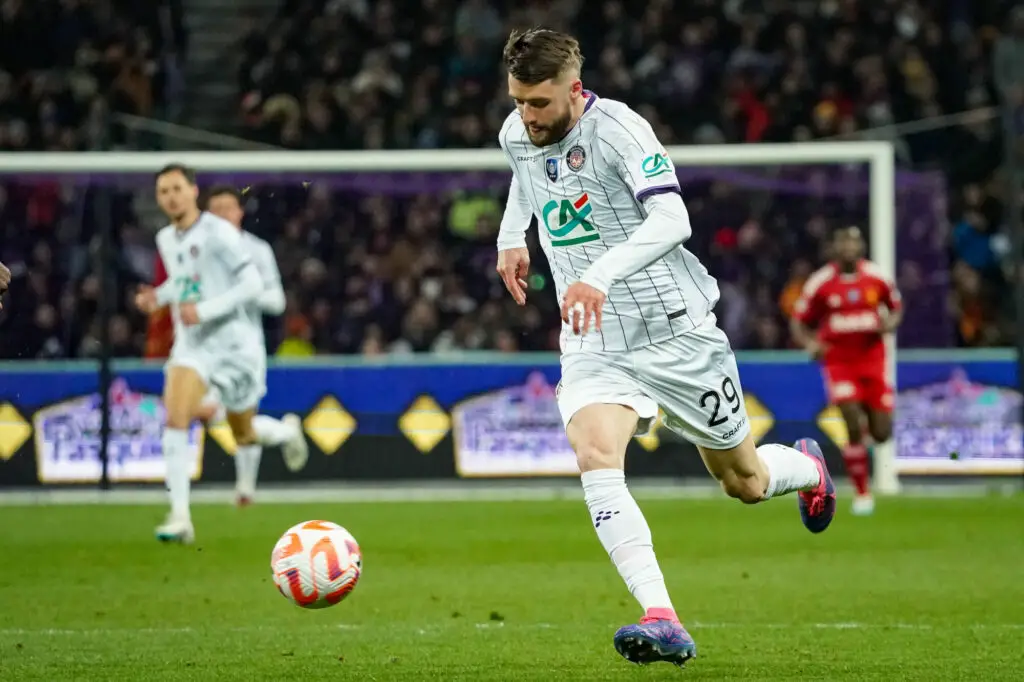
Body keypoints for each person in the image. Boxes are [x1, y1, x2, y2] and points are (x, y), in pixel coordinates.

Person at [494, 28, 836, 668]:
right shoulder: (518, 131)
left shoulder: (621, 131)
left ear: (574, 89)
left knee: (745, 482)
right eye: (518, 101)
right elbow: (524, 173)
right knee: (595, 454)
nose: (527, 116)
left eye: (539, 103)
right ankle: (663, 616)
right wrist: (511, 236)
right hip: (594, 337)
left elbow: (674, 219)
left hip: (675, 331)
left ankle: (809, 470)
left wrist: (599, 274)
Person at [134, 164, 265, 544]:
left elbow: (252, 283)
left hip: (235, 346)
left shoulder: (219, 232)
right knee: (176, 418)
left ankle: (287, 432)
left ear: (193, 192)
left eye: (177, 188)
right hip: (193, 345)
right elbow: (185, 281)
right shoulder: (165, 237)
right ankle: (180, 517)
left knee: (244, 432)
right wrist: (158, 297)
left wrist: (205, 310)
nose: (171, 197)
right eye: (164, 191)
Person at [195, 185, 309, 505]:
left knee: (238, 417)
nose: (222, 215)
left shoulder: (257, 251)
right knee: (212, 414)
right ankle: (286, 432)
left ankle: (245, 490)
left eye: (227, 209)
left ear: (240, 213)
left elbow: (277, 301)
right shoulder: (197, 253)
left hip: (245, 347)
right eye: (215, 210)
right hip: (208, 345)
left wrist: (243, 292)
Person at [791, 226, 903, 516]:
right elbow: (798, 320)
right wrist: (811, 343)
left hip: (873, 361)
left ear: (861, 246)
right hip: (839, 363)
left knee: (882, 433)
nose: (849, 248)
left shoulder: (877, 277)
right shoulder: (821, 283)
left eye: (853, 243)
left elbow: (896, 307)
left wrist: (890, 323)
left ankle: (865, 433)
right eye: (843, 243)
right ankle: (862, 494)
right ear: (834, 249)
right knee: (852, 423)